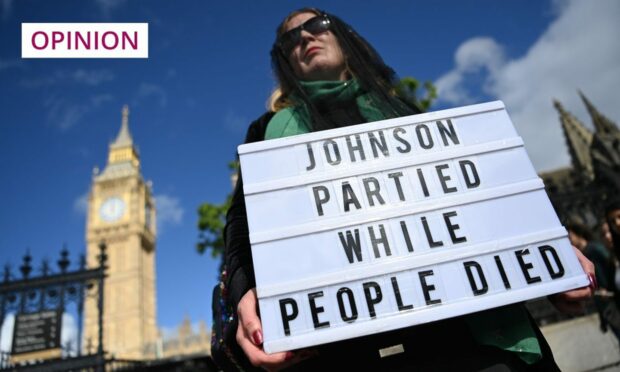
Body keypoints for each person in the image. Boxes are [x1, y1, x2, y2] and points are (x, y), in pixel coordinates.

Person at [220, 8, 596, 371]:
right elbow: (244, 224)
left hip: (471, 338)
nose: (303, 36)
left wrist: (553, 253)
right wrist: (245, 294)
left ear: (344, 37)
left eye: (317, 24)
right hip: (344, 352)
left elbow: (479, 198)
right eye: (288, 40)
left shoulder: (405, 114)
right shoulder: (266, 133)